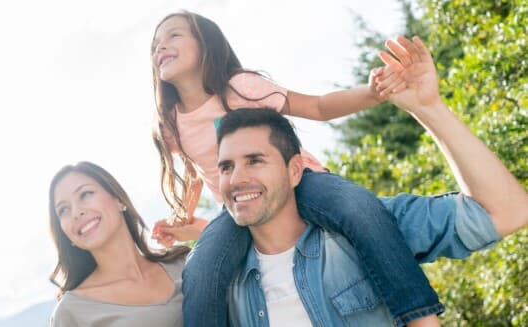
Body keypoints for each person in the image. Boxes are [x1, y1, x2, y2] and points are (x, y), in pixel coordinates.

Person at [148, 10, 437, 326]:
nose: (160, 47)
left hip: (300, 181)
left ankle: (418, 315)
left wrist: (371, 93)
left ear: (206, 43)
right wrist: (182, 216)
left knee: (358, 207)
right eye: (155, 45)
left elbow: (318, 106)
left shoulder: (240, 87)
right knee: (201, 266)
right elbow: (194, 172)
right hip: (240, 207)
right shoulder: (171, 123)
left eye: (173, 35)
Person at [216, 36, 528, 326]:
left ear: (295, 170)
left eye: (255, 160)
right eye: (226, 167)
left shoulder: (370, 227)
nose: (237, 178)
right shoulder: (220, 282)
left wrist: (429, 109)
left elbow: (507, 212)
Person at [48, 162, 189, 327]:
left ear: (118, 199)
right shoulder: (71, 313)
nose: (76, 212)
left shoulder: (184, 261)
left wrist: (201, 232)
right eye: (63, 210)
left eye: (85, 194)